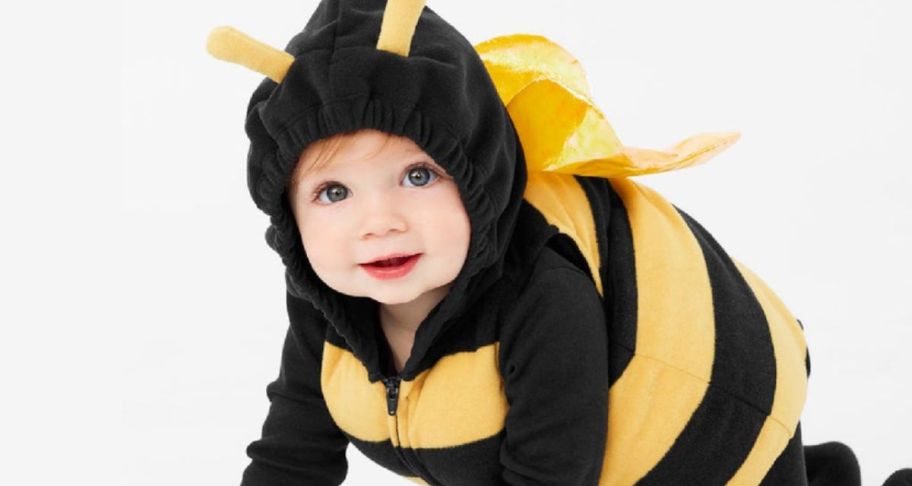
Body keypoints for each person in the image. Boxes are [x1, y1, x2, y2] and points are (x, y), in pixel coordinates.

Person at [206, 1, 912, 484]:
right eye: (334, 193)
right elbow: (294, 446)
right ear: (288, 216)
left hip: (702, 436)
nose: (379, 221)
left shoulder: (540, 291)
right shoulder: (330, 294)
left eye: (418, 175)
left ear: (479, 174)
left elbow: (553, 471)